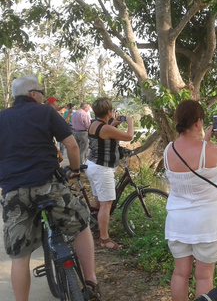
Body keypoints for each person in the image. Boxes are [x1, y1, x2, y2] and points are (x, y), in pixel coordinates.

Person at [0, 75, 100, 301]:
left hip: (14, 191)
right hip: (48, 185)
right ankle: (91, 281)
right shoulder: (46, 112)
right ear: (33, 94)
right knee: (81, 224)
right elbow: (72, 145)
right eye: (42, 93)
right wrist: (74, 170)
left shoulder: (1, 118)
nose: (44, 97)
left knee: (20, 255)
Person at [163, 99, 217, 301]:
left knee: (179, 273)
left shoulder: (169, 150)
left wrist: (206, 142)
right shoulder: (208, 150)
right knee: (204, 276)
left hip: (178, 222)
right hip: (206, 224)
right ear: (198, 122)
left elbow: (192, 165)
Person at [85, 97, 133, 249]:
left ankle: (96, 231)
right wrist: (130, 123)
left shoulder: (95, 124)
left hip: (92, 165)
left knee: (98, 200)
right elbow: (129, 136)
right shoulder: (106, 128)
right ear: (108, 111)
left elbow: (104, 133)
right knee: (106, 204)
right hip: (102, 169)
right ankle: (105, 240)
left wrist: (113, 123)